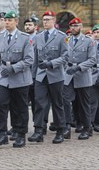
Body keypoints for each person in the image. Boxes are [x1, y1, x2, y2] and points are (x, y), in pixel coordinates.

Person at [0, 11, 34, 148]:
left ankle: (20, 134)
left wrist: (13, 68)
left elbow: (29, 60)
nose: (7, 22)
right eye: (6, 20)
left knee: (20, 107)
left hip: (20, 77)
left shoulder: (25, 38)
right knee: (0, 103)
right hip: (3, 77)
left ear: (16, 21)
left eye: (10, 20)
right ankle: (2, 133)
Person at [29, 11, 68, 144]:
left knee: (57, 104)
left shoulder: (61, 37)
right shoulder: (38, 37)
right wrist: (33, 76)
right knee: (39, 103)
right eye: (44, 19)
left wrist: (51, 63)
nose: (45, 22)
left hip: (56, 75)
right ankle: (39, 130)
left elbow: (65, 57)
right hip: (41, 75)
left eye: (48, 19)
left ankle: (60, 131)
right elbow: (35, 58)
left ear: (54, 21)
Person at [63, 17, 96, 140]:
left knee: (83, 103)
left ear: (81, 27)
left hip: (82, 75)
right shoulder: (67, 40)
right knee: (65, 100)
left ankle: (87, 127)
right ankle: (66, 126)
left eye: (76, 26)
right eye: (71, 26)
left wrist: (79, 68)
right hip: (69, 75)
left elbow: (92, 59)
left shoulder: (88, 41)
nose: (73, 28)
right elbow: (64, 56)